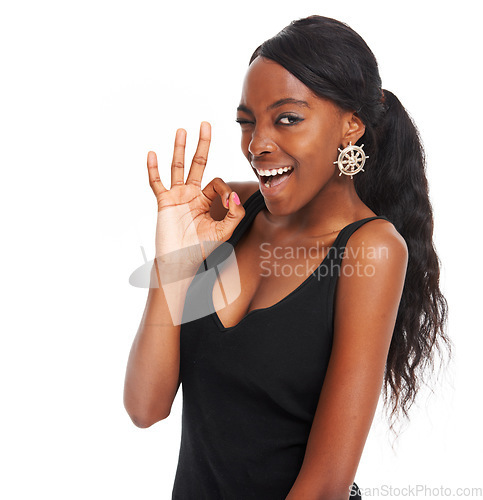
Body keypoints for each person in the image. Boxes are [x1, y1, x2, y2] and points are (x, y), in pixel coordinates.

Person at [123, 15, 451, 500]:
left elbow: (323, 487)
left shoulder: (371, 250)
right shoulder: (227, 213)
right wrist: (173, 261)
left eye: (287, 118)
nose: (256, 145)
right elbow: (144, 407)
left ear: (350, 126)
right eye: (247, 122)